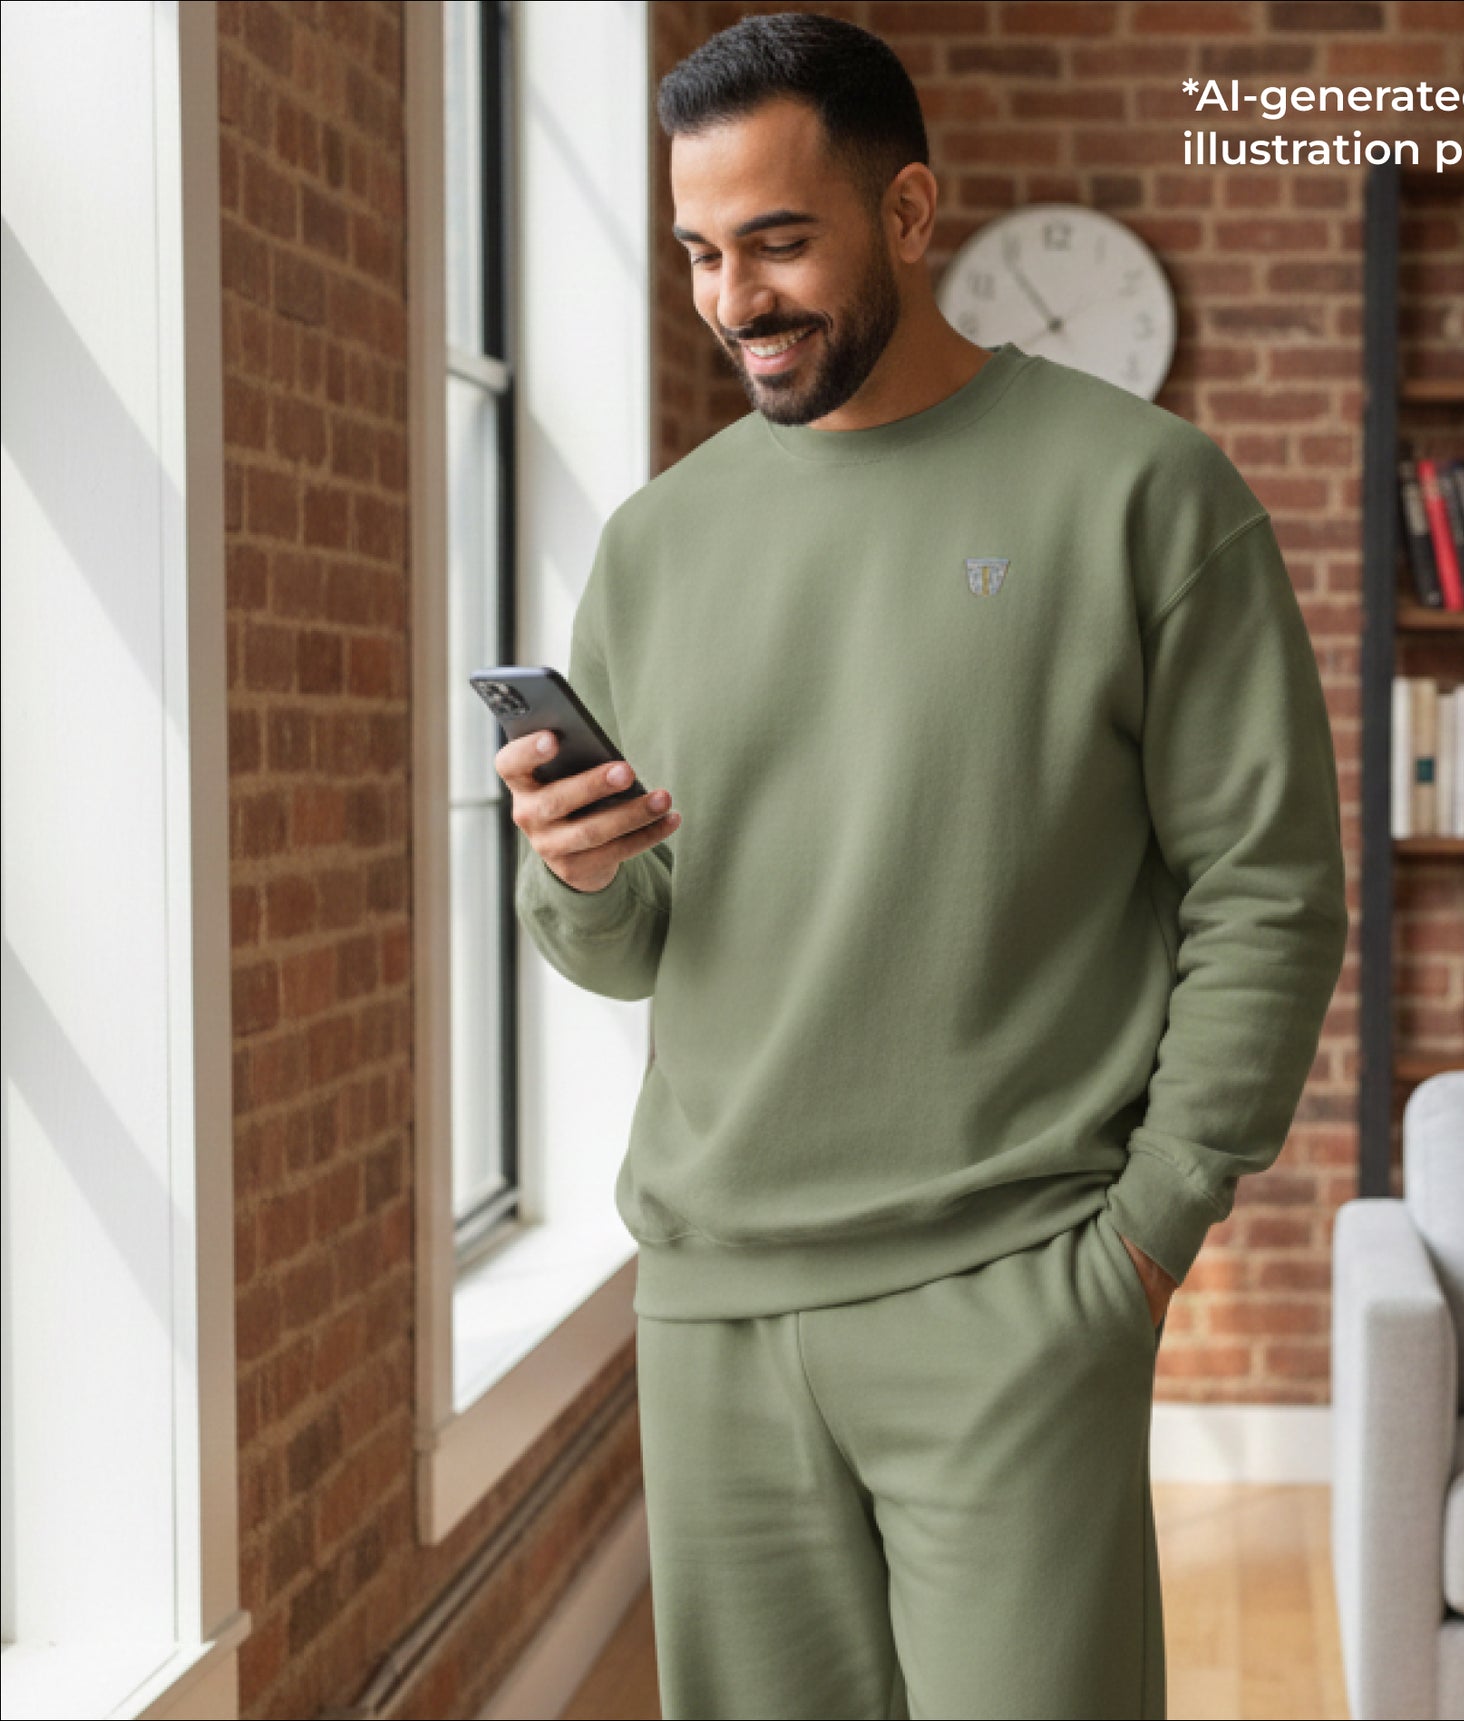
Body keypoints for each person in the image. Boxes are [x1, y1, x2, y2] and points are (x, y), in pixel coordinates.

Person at [498, 12, 1348, 1718]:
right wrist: (576, 868)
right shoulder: (658, 544)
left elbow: (1268, 889)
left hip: (1017, 1289)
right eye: (699, 253)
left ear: (906, 213)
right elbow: (628, 946)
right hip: (716, 1306)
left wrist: (1146, 1235)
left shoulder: (1146, 494)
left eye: (780, 241)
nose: (736, 299)